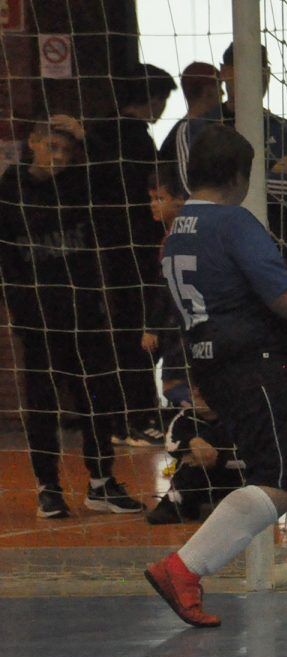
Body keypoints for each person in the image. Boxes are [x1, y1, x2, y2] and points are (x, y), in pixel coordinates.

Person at [144, 124, 287, 628]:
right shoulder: (233, 222)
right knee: (280, 481)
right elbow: (283, 294)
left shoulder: (176, 231)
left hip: (224, 365)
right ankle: (184, 567)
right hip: (254, 365)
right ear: (241, 175)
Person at [0, 116, 141, 519]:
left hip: (84, 314)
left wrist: (86, 137)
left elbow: (119, 176)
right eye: (52, 147)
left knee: (97, 398)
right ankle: (48, 487)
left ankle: (100, 482)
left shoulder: (80, 185)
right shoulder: (9, 191)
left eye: (66, 150)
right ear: (33, 143)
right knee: (42, 405)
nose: (59, 157)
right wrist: (18, 304)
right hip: (38, 319)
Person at [90, 63, 178, 447]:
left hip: (107, 247)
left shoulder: (99, 133)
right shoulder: (135, 140)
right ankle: (136, 416)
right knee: (142, 332)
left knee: (128, 330)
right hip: (134, 249)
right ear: (153, 100)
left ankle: (123, 414)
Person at [177, 43, 287, 272]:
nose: (260, 76)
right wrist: (271, 169)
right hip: (216, 256)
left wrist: (223, 180)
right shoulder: (194, 129)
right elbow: (193, 191)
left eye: (264, 69)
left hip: (276, 253)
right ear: (225, 72)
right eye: (249, 68)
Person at [146, 387, 245, 525]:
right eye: (195, 395)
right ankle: (174, 502)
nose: (197, 396)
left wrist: (219, 458)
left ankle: (243, 504)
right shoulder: (184, 417)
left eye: (204, 395)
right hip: (199, 471)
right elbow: (171, 444)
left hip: (235, 474)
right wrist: (192, 443)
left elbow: (252, 453)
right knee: (188, 463)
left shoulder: (239, 416)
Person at [141, 165, 192, 409]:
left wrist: (152, 327)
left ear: (180, 200)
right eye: (152, 199)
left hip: (181, 325)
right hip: (180, 323)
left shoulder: (178, 237)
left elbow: (167, 285)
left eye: (160, 198)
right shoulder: (174, 233)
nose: (153, 204)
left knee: (175, 385)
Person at [158, 62, 222, 167]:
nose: (223, 92)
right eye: (219, 86)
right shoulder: (190, 130)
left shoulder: (181, 129)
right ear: (208, 91)